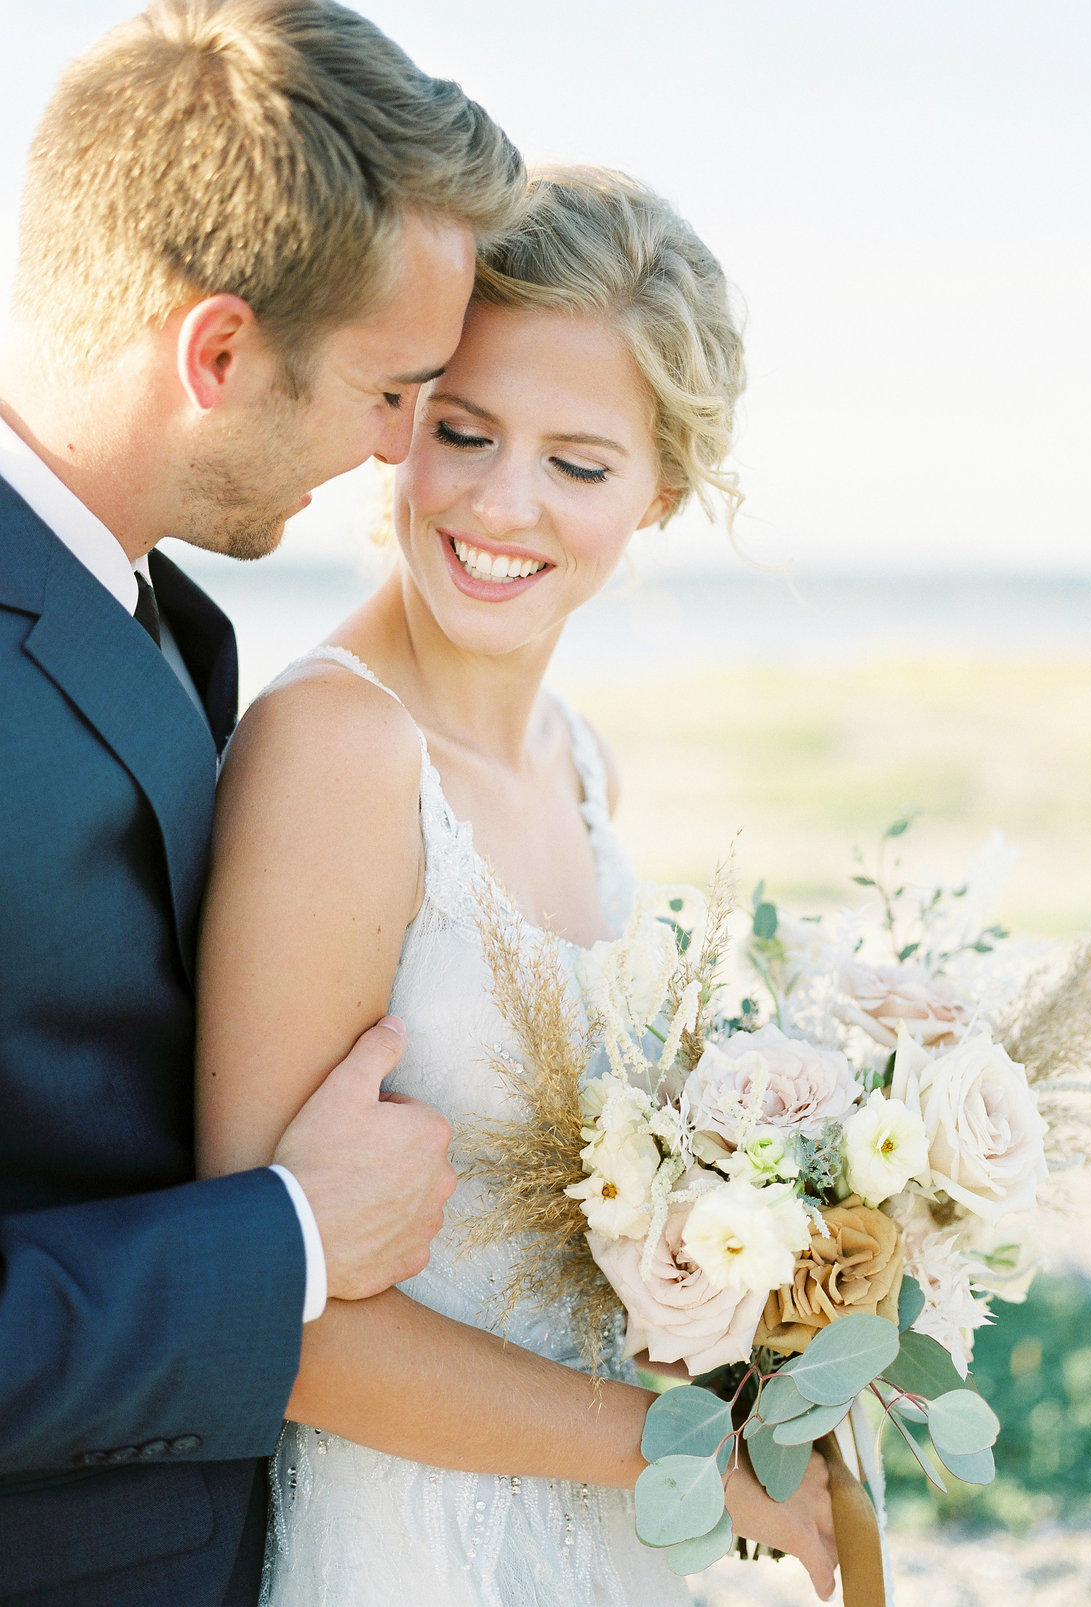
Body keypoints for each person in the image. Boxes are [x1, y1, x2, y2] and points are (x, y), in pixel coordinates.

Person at [196, 168, 839, 1607]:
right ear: (398, 416)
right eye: (462, 430)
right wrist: (667, 1446)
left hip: (594, 1532)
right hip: (410, 1544)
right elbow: (265, 1313)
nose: (502, 503)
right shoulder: (337, 753)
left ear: (661, 487)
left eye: (580, 463)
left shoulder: (581, 761)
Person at [0, 3, 524, 1603]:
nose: (394, 460)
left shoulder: (148, 605)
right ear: (218, 351)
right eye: (388, 393)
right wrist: (286, 1242)